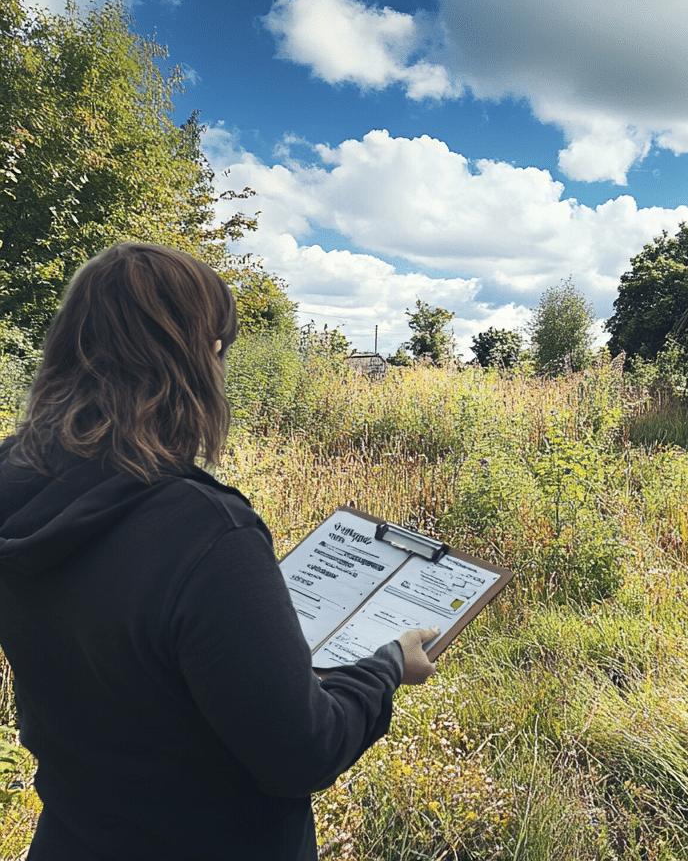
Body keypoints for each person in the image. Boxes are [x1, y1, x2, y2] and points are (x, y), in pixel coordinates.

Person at [0, 242, 439, 860]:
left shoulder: (14, 485)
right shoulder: (206, 532)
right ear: (204, 359)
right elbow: (302, 753)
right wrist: (387, 666)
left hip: (74, 837)